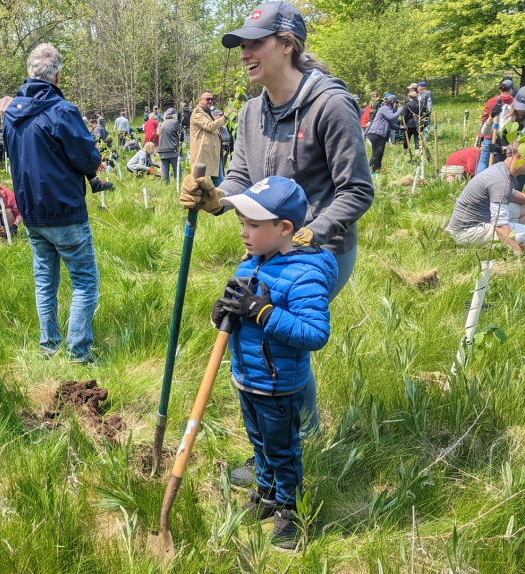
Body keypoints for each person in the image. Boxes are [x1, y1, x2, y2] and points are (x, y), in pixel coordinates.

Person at [182, 0, 373, 470]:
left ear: (287, 45)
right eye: (241, 45)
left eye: (256, 43)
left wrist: (311, 232)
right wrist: (217, 198)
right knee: (255, 330)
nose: (245, 53)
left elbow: (358, 190)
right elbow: (242, 177)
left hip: (321, 249)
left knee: (283, 335)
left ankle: (291, 448)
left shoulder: (330, 105)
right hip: (269, 248)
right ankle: (284, 442)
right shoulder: (250, 112)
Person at [212, 176, 336, 549]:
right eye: (241, 224)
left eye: (252, 225)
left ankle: (291, 510)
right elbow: (236, 313)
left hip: (277, 383)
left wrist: (264, 313)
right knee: (259, 442)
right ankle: (266, 494)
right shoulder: (249, 263)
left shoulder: (304, 274)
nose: (243, 233)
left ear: (284, 228)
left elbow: (315, 334)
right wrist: (221, 314)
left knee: (282, 451)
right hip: (246, 377)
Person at [4, 43, 106, 363]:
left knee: (45, 281)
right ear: (57, 76)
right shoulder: (61, 111)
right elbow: (88, 157)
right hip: (64, 211)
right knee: (85, 281)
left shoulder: (10, 114)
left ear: (28, 74)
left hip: (32, 212)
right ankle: (78, 352)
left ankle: (49, 347)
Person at [446, 140, 525, 254]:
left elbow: (512, 195)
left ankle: (516, 236)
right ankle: (513, 247)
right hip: (466, 231)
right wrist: (518, 255)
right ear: (518, 157)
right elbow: (500, 225)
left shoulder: (501, 169)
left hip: (481, 218)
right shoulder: (500, 181)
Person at [190, 91, 230, 186]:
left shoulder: (209, 113)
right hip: (203, 153)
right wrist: (225, 117)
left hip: (214, 153)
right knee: (197, 183)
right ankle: (192, 200)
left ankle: (220, 200)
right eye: (208, 99)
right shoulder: (197, 114)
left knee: (220, 181)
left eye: (212, 99)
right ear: (200, 100)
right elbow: (209, 126)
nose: (210, 101)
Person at [477, 79, 516, 175]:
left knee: (483, 161)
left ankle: (479, 180)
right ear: (510, 90)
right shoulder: (514, 102)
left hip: (489, 135)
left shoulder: (491, 101)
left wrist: (480, 133)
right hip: (503, 139)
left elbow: (485, 117)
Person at [366, 94, 401, 172]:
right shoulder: (384, 108)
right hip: (376, 134)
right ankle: (370, 171)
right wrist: (399, 111)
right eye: (396, 103)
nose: (396, 105)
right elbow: (391, 117)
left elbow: (391, 124)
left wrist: (400, 128)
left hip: (381, 135)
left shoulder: (389, 110)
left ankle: (378, 170)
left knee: (380, 154)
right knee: (376, 154)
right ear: (392, 102)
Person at [156, 108, 180, 184]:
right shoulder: (176, 122)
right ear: (174, 115)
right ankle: (178, 186)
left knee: (164, 171)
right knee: (177, 170)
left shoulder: (162, 123)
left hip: (162, 150)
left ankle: (166, 187)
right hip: (173, 150)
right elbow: (181, 136)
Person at [400, 86, 422, 151]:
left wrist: (401, 123)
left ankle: (405, 151)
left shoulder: (408, 105)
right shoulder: (420, 104)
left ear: (409, 97)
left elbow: (405, 115)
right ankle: (417, 152)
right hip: (418, 124)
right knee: (417, 139)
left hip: (409, 125)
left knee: (407, 139)